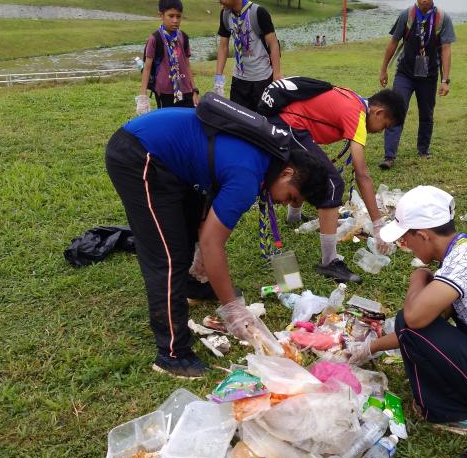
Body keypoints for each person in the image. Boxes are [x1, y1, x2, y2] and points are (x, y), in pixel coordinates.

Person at [105, 107, 328, 379]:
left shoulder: (265, 162)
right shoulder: (248, 174)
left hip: (173, 162)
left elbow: (211, 219)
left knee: (186, 233)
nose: (285, 204)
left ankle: (194, 287)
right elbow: (213, 243)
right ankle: (172, 354)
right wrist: (233, 310)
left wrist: (202, 250)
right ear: (287, 173)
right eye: (291, 196)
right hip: (140, 154)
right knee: (168, 257)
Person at [347, 186, 467, 440]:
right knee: (412, 323)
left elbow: (413, 321)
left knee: (406, 320)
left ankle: (454, 413)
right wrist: (370, 347)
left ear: (423, 235)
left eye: (405, 239)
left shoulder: (461, 266)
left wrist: (418, 276)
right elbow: (427, 329)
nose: (404, 245)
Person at [271, 85, 406, 283]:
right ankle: (329, 262)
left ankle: (294, 217)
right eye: (384, 126)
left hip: (288, 123)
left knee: (309, 168)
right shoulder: (358, 114)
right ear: (379, 112)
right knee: (331, 183)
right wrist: (378, 226)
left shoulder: (356, 101)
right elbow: (362, 174)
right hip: (289, 125)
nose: (380, 131)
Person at [378, 0, 456, 166]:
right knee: (396, 110)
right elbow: (393, 43)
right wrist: (383, 69)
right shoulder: (407, 15)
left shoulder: (442, 18)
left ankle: (423, 150)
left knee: (426, 113)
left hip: (429, 75)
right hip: (405, 73)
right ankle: (389, 156)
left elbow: (446, 50)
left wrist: (445, 80)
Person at [207, 0, 281, 111]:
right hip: (239, 79)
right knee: (239, 121)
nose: (219, 1)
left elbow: (273, 43)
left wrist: (277, 74)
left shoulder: (259, 13)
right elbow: (223, 46)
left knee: (262, 120)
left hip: (262, 78)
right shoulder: (225, 14)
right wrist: (218, 77)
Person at [135, 0, 198, 115]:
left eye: (178, 16)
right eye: (171, 16)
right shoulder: (155, 39)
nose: (175, 20)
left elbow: (187, 65)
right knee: (169, 123)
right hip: (165, 92)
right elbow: (147, 67)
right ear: (161, 15)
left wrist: (194, 90)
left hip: (186, 90)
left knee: (187, 121)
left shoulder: (183, 37)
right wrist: (143, 97)